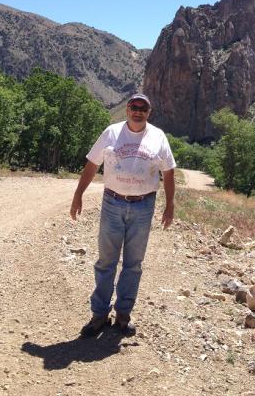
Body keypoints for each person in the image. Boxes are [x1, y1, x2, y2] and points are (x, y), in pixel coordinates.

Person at [70, 93, 176, 337]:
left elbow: (168, 172)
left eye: (143, 108)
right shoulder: (111, 133)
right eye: (133, 107)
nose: (138, 111)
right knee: (106, 260)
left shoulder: (158, 136)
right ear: (127, 109)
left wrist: (170, 205)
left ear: (149, 112)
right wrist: (78, 195)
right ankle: (99, 315)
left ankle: (123, 315)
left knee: (133, 263)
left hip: (143, 206)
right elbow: (92, 165)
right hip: (112, 203)